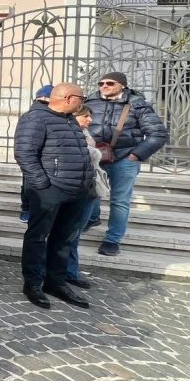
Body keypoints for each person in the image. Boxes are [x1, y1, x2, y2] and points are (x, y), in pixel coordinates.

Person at [13, 83, 93, 310]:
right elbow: (25, 153)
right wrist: (43, 185)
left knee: (64, 238)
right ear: (69, 98)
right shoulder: (36, 118)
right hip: (49, 191)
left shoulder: (69, 120)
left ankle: (55, 282)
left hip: (75, 191)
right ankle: (33, 283)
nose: (83, 102)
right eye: (81, 97)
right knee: (38, 238)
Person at [84, 71, 168, 257]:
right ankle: (92, 218)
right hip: (95, 157)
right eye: (101, 83)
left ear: (123, 85)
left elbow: (159, 134)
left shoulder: (138, 105)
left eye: (110, 83)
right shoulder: (90, 103)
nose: (104, 86)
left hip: (124, 159)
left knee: (119, 201)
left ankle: (112, 240)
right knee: (90, 193)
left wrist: (136, 155)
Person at [65, 105, 106, 289]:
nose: (89, 119)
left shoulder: (85, 133)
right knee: (71, 234)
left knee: (76, 232)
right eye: (85, 116)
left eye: (90, 115)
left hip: (91, 188)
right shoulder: (70, 133)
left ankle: (69, 270)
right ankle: (68, 271)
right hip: (78, 187)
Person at [20, 85, 53, 222]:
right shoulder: (32, 116)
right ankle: (26, 208)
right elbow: (24, 147)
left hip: (48, 159)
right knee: (29, 184)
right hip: (35, 158)